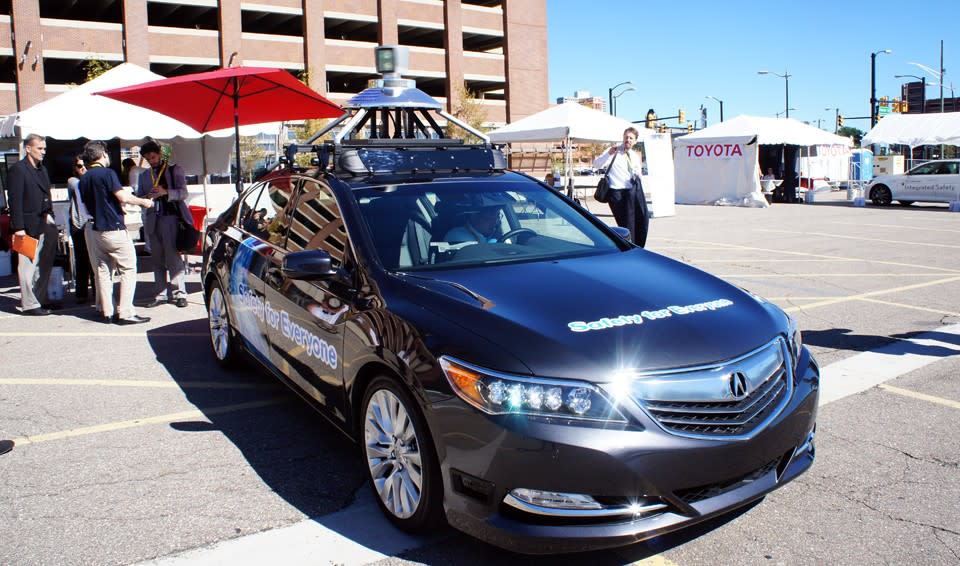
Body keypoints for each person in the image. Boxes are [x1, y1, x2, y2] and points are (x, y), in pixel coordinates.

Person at [79, 140, 154, 325]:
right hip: (114, 229)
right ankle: (126, 312)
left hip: (95, 229)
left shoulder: (84, 178)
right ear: (103, 154)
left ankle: (107, 311)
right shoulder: (108, 173)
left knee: (103, 271)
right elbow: (122, 196)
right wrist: (143, 202)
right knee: (128, 268)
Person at [136, 139, 192, 308]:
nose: (151, 161)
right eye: (148, 159)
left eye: (153, 157)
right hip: (153, 219)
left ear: (160, 154)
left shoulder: (174, 170)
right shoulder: (144, 176)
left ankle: (179, 292)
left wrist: (165, 192)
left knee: (173, 256)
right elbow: (140, 197)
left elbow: (183, 193)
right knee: (157, 258)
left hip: (171, 218)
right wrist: (147, 197)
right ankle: (160, 294)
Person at [8, 133, 59, 316]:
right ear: (28, 148)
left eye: (44, 148)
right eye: (40, 148)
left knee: (44, 263)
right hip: (27, 225)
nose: (43, 152)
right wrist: (19, 228)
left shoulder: (42, 169)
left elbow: (46, 195)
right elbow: (15, 200)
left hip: (44, 221)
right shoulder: (18, 169)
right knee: (27, 266)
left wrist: (51, 217)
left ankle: (41, 298)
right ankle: (29, 304)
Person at [592, 127, 649, 247]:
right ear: (623, 138)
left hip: (631, 193)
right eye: (626, 137)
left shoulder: (634, 155)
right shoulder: (614, 151)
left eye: (631, 138)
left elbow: (638, 173)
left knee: (639, 220)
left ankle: (636, 245)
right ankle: (627, 246)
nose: (628, 140)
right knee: (625, 224)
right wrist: (608, 154)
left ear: (635, 141)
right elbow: (596, 165)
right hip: (616, 193)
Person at [67, 156, 97, 304]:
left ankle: (97, 292)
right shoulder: (73, 181)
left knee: (95, 260)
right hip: (78, 224)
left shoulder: (91, 180)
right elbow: (79, 186)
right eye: (80, 166)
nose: (83, 168)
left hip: (92, 223)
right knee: (82, 260)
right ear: (75, 168)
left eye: (85, 165)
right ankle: (81, 293)